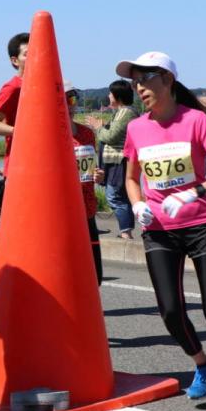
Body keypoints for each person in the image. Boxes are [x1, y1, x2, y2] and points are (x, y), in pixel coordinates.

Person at [119, 51, 206, 408]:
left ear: (167, 79)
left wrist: (193, 192)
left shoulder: (196, 120)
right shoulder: (136, 127)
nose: (140, 87)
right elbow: (131, 179)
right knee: (169, 310)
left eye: (146, 79)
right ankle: (203, 363)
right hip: (160, 230)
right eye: (135, 81)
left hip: (204, 224)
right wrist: (137, 205)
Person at [0, 32, 30, 228]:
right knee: (11, 227)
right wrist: (25, 131)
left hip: (38, 162)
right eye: (27, 54)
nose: (34, 57)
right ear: (15, 60)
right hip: (18, 163)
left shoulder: (39, 84)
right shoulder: (12, 87)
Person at [85, 79, 139, 240]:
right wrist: (103, 126)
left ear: (117, 96)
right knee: (121, 195)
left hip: (118, 161)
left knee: (114, 196)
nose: (108, 96)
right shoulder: (123, 112)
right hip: (116, 161)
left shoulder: (126, 113)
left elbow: (110, 136)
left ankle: (125, 232)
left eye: (110, 93)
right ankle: (126, 231)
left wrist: (98, 127)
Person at [67, 85, 103, 281]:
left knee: (94, 273)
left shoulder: (87, 133)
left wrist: (98, 175)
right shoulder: (48, 133)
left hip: (87, 206)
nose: (69, 105)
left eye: (72, 100)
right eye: (63, 100)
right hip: (62, 211)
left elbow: (90, 168)